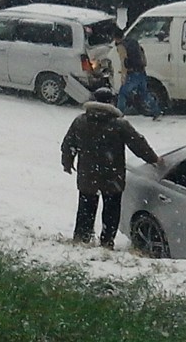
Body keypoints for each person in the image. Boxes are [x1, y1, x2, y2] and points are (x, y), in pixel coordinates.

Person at [60, 87, 163, 249]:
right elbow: (138, 144)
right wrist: (154, 159)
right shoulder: (119, 124)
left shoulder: (81, 121)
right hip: (112, 178)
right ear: (111, 102)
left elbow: (68, 144)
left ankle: (82, 239)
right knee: (111, 212)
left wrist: (67, 162)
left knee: (86, 209)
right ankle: (107, 241)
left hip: (88, 176)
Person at [113, 27, 162, 119]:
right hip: (141, 71)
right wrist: (143, 64)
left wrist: (123, 76)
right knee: (144, 94)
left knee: (123, 93)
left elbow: (124, 61)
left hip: (132, 73)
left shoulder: (121, 46)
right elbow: (142, 52)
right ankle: (156, 111)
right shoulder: (134, 42)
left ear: (115, 38)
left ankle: (118, 114)